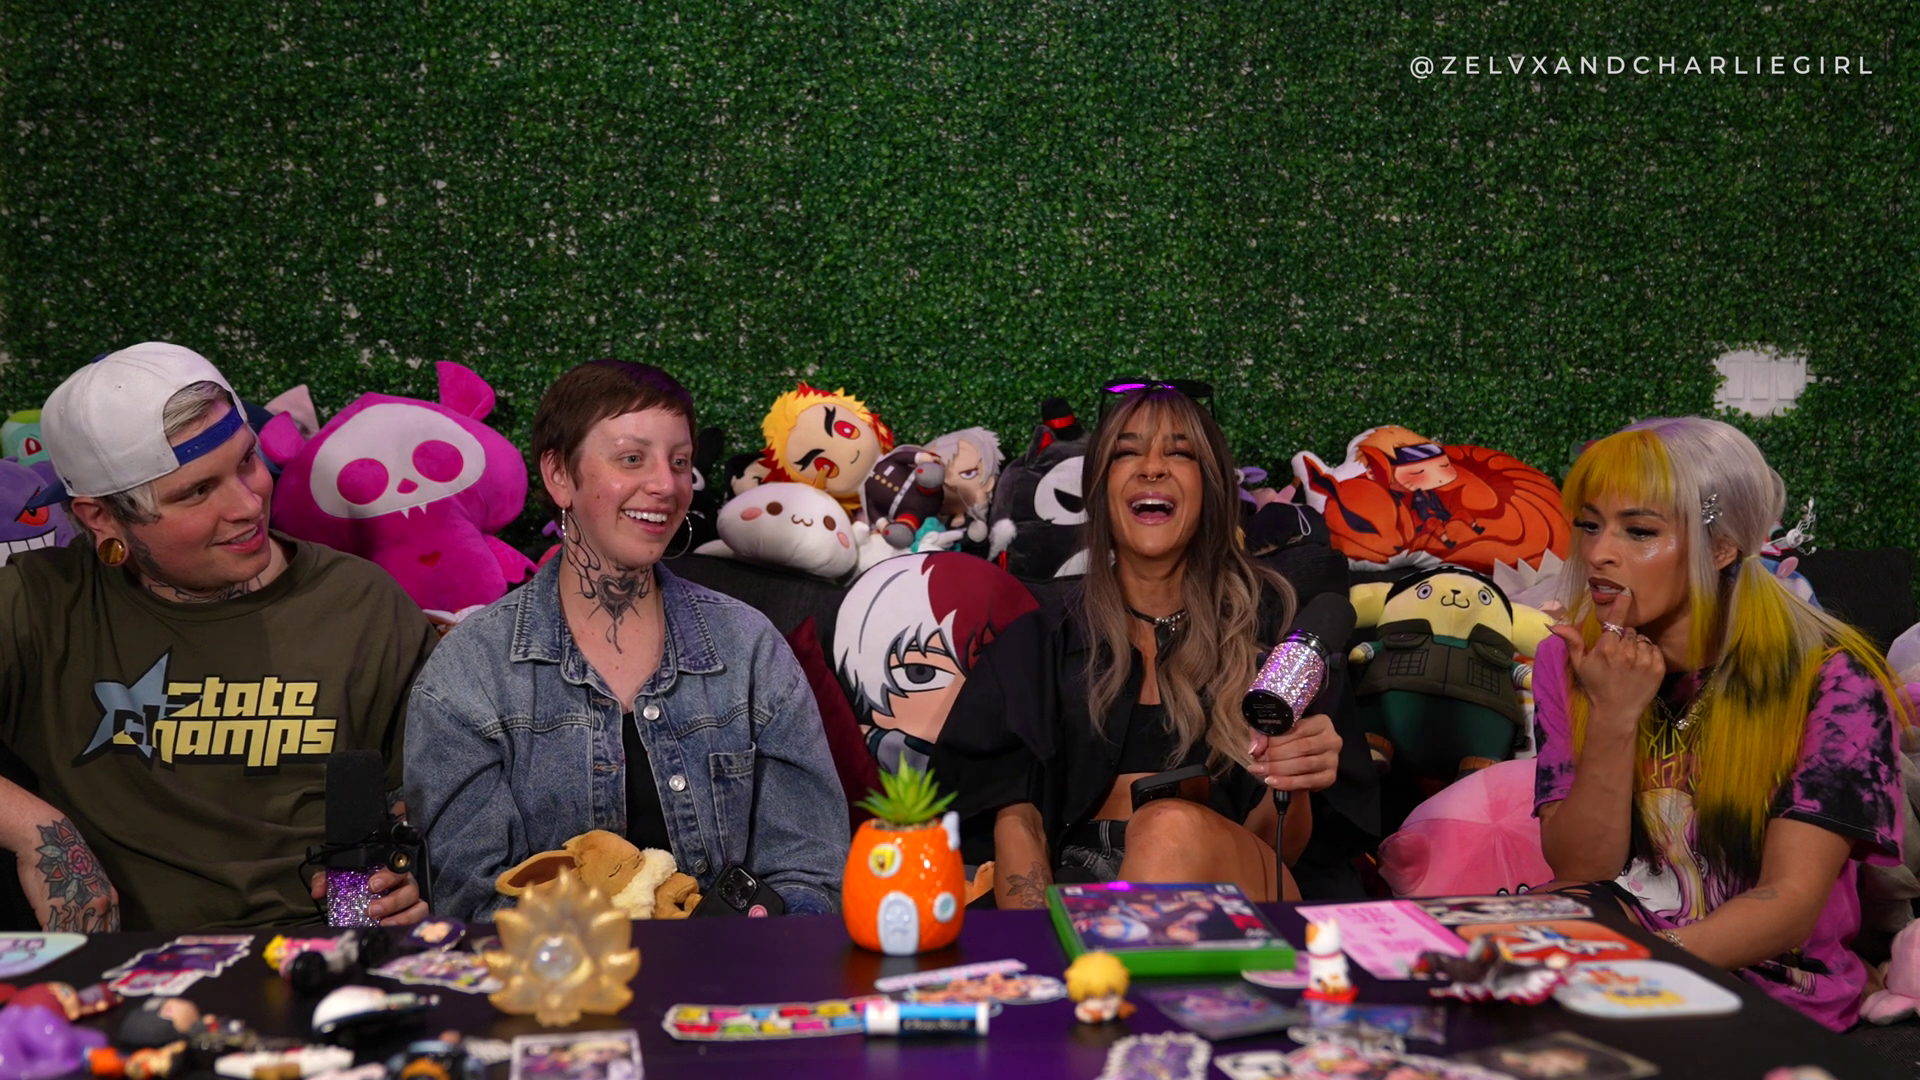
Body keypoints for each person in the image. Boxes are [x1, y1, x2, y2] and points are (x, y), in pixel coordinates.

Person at [0, 342, 436, 931]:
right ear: (101, 518)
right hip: (123, 967)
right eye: (197, 491)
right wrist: (37, 831)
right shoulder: (38, 604)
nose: (248, 504)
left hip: (319, 953)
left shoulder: (362, 604)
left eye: (247, 460)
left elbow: (412, 808)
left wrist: (391, 888)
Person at [406, 359, 848, 920]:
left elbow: (809, 865)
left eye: (680, 461)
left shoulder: (749, 648)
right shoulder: (469, 674)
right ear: (559, 475)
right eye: (632, 458)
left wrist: (771, 930)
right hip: (553, 972)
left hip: (733, 970)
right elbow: (474, 900)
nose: (666, 484)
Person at [1534, 416, 1906, 1031]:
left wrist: (1636, 967)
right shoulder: (1569, 658)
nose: (1599, 553)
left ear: (1721, 548)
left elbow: (1788, 903)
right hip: (1616, 953)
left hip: (1773, 989)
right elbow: (1580, 870)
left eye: (1639, 531)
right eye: (1590, 525)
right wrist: (1613, 717)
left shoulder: (1833, 679)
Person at [935, 384, 1348, 907]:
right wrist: (1040, 941)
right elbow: (1018, 823)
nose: (1152, 468)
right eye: (1126, 453)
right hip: (1078, 888)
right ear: (1099, 489)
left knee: (1166, 827)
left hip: (1233, 889)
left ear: (1213, 486)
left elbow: (1278, 850)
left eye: (1180, 453)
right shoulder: (1041, 635)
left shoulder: (1280, 633)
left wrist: (1295, 777)